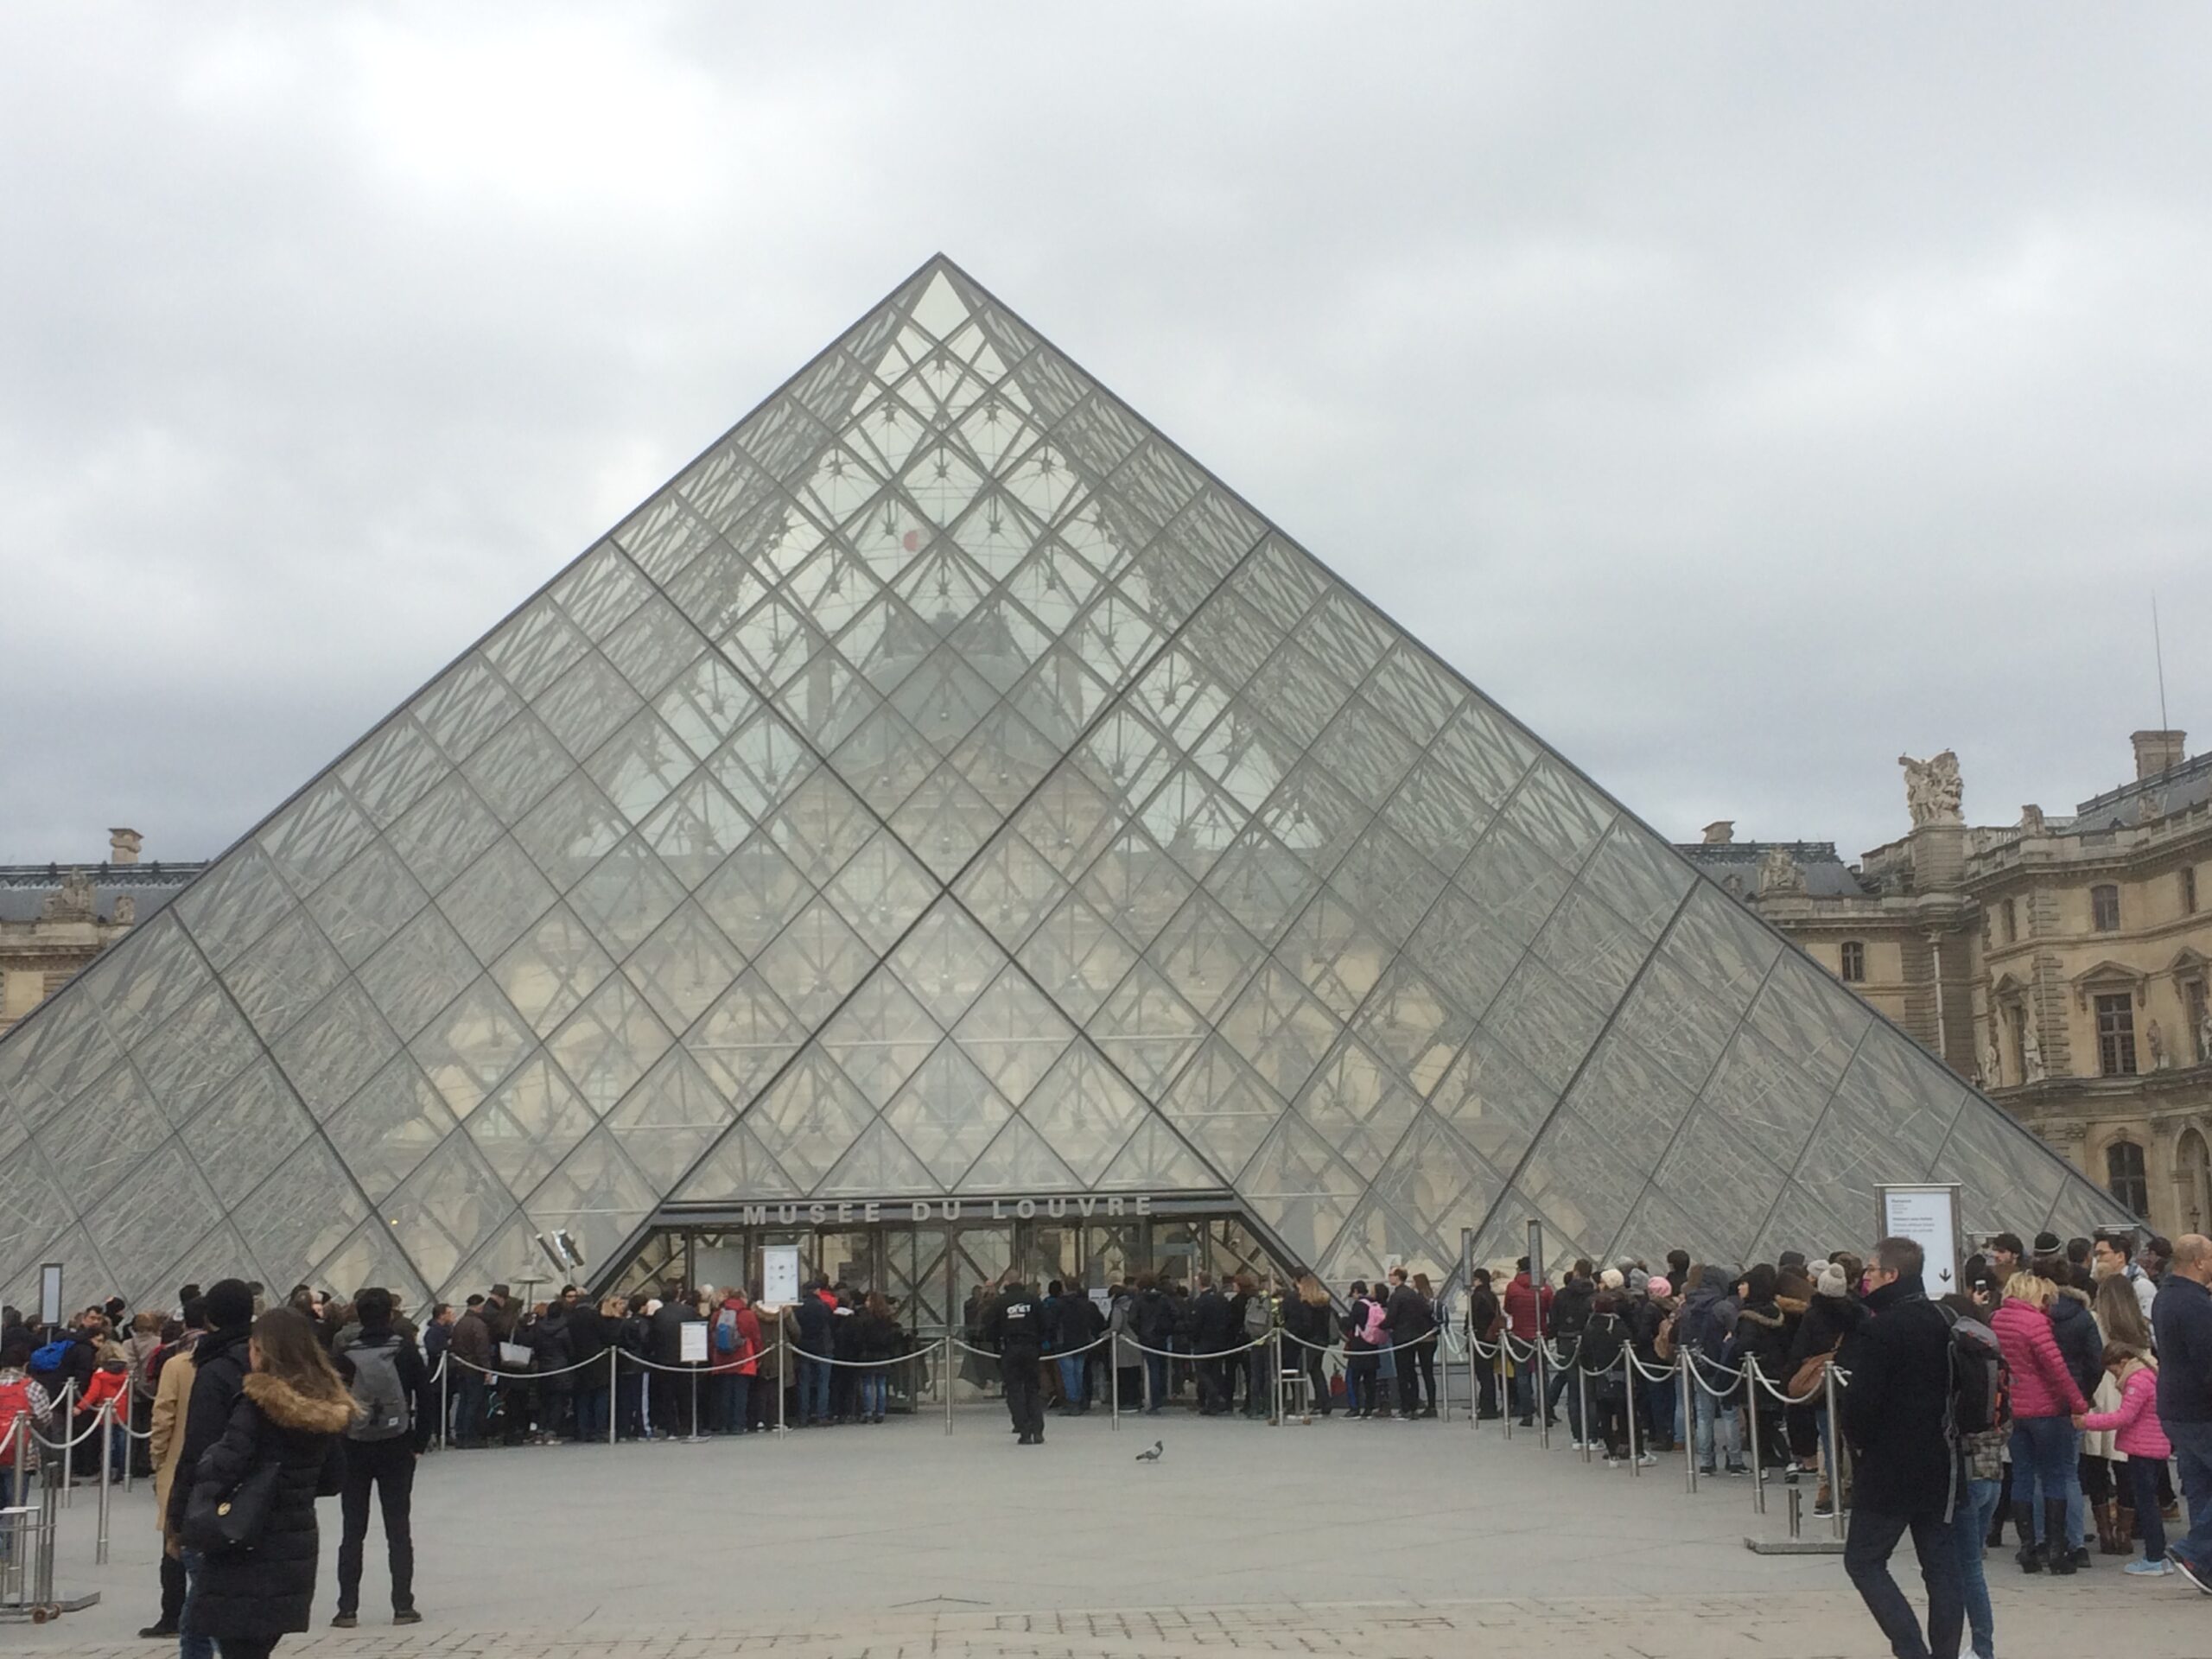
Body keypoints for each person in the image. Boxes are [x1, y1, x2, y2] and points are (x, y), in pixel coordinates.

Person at [181, 1307, 356, 1659]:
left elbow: (224, 1466)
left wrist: (207, 1460)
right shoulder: (326, 1407)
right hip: (294, 1547)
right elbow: (333, 1479)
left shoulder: (257, 1404)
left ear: (263, 1350)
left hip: (245, 1543)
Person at [1836, 1236, 1964, 1659]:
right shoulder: (1945, 1318)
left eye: (1871, 1271)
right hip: (1941, 1459)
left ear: (1891, 1275)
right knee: (1941, 1568)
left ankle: (1911, 1651)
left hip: (1889, 1464)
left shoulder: (1879, 1327)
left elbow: (1860, 1404)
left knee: (1863, 1561)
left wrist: (1858, 1444)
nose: (1865, 1278)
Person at [170, 1280, 259, 1659]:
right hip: (258, 1501)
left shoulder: (213, 1368)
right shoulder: (263, 1361)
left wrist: (177, 1515)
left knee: (202, 1612)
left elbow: (197, 1449)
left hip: (214, 1503)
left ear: (209, 1318)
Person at [329, 1288, 424, 1629]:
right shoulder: (406, 1350)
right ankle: (403, 1606)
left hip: (354, 1448)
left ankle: (346, 1609)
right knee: (398, 1528)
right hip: (397, 1446)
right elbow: (426, 1396)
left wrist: (340, 1440)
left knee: (352, 1530)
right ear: (390, 1314)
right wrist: (418, 1442)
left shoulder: (344, 1353)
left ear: (358, 1314)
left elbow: (334, 1400)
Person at [1991, 1271, 2088, 1573]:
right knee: (2055, 1475)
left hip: (2015, 1408)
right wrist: (2079, 1404)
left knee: (2022, 1475)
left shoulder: (1997, 1320)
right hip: (2046, 1409)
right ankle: (2057, 1552)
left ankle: (2028, 1549)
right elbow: (2057, 1369)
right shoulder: (2034, 1324)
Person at [1939, 1288, 2006, 1659]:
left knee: (1965, 1570)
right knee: (1970, 1563)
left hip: (1965, 1471)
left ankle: (1982, 1646)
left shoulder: (1954, 1358)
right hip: (1992, 1468)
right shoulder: (1993, 1356)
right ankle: (1977, 1644)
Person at [2076, 1329, 2172, 1575]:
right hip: (2154, 1447)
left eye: (2113, 1370)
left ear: (2123, 1362)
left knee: (2146, 1504)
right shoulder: (2150, 1374)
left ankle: (2154, 1556)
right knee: (2149, 1503)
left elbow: (2124, 1416)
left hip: (2143, 1449)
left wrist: (2088, 1422)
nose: (2114, 1375)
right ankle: (2158, 1555)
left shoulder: (2137, 1381)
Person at [141, 1299, 204, 1638]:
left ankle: (172, 1615)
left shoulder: (177, 1364)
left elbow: (163, 1416)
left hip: (179, 1464)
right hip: (220, 1464)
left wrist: (157, 1460)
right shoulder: (234, 1361)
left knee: (173, 1542)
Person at [2152, 1233, 2212, 1591]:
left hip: (2174, 1407)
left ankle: (2203, 1564)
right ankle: (2193, 1550)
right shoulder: (2197, 1306)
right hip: (2201, 1408)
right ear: (2200, 1262)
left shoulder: (2165, 1297)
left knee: (2202, 1486)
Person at [1680, 1266, 1746, 1477]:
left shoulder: (1688, 1306)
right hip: (1723, 1363)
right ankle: (1735, 1461)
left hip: (1698, 1364)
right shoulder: (1723, 1306)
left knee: (1703, 1413)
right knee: (1729, 1414)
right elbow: (1737, 1332)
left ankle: (1706, 1462)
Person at [982, 1278, 1046, 1445]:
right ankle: (1038, 1430)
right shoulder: (1033, 1300)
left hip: (1010, 1349)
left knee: (1014, 1390)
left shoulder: (1000, 1302)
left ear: (1006, 1287)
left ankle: (1023, 1430)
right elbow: (1045, 1324)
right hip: (1031, 1348)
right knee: (1033, 1389)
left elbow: (989, 1327)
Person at [1501, 1257, 1554, 1427]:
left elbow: (1508, 1309)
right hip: (1540, 1335)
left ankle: (1527, 1414)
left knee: (1522, 1375)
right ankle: (1545, 1412)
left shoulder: (1512, 1287)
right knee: (1542, 1375)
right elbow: (1550, 1309)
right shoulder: (1545, 1289)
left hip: (1520, 1335)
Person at [1386, 1269, 1438, 1419]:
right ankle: (1418, 1405)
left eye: (1391, 1275)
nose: (1389, 1278)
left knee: (1405, 1372)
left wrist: (1382, 1325)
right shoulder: (1414, 1295)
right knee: (1415, 1372)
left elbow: (1391, 1317)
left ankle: (1407, 1407)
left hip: (1409, 1338)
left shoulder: (1398, 1295)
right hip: (1418, 1337)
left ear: (1397, 1277)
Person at [1285, 1275, 1334, 1418]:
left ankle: (1299, 1405)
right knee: (1316, 1371)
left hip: (1310, 1342)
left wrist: (1297, 1335)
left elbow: (1307, 1325)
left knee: (1301, 1371)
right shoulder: (1324, 1303)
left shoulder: (1307, 1304)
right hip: (1322, 1342)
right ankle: (1324, 1403)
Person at [855, 1294, 898, 1423]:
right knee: (881, 1384)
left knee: (867, 1384)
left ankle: (868, 1411)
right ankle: (880, 1412)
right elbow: (891, 1338)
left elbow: (859, 1337)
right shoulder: (887, 1319)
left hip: (868, 1354)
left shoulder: (865, 1319)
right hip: (883, 1354)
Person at [1468, 1268, 1503, 1421]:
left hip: (1479, 1337)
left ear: (1478, 1280)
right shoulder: (1492, 1296)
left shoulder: (1477, 1296)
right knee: (1488, 1373)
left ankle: (1487, 1407)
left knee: (1483, 1374)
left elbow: (1473, 1317)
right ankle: (1489, 1405)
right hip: (1491, 1338)